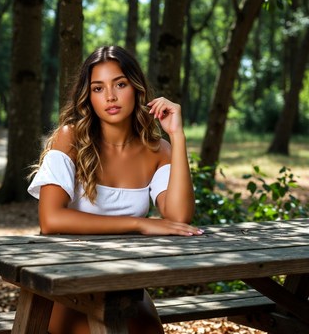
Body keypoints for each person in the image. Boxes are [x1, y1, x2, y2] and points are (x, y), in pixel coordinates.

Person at [28, 45, 203, 334]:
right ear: (89, 97)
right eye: (98, 88)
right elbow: (51, 220)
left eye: (120, 84)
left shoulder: (157, 150)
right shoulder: (70, 138)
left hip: (124, 282)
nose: (110, 96)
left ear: (136, 88)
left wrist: (177, 135)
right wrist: (139, 224)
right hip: (68, 280)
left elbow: (179, 216)